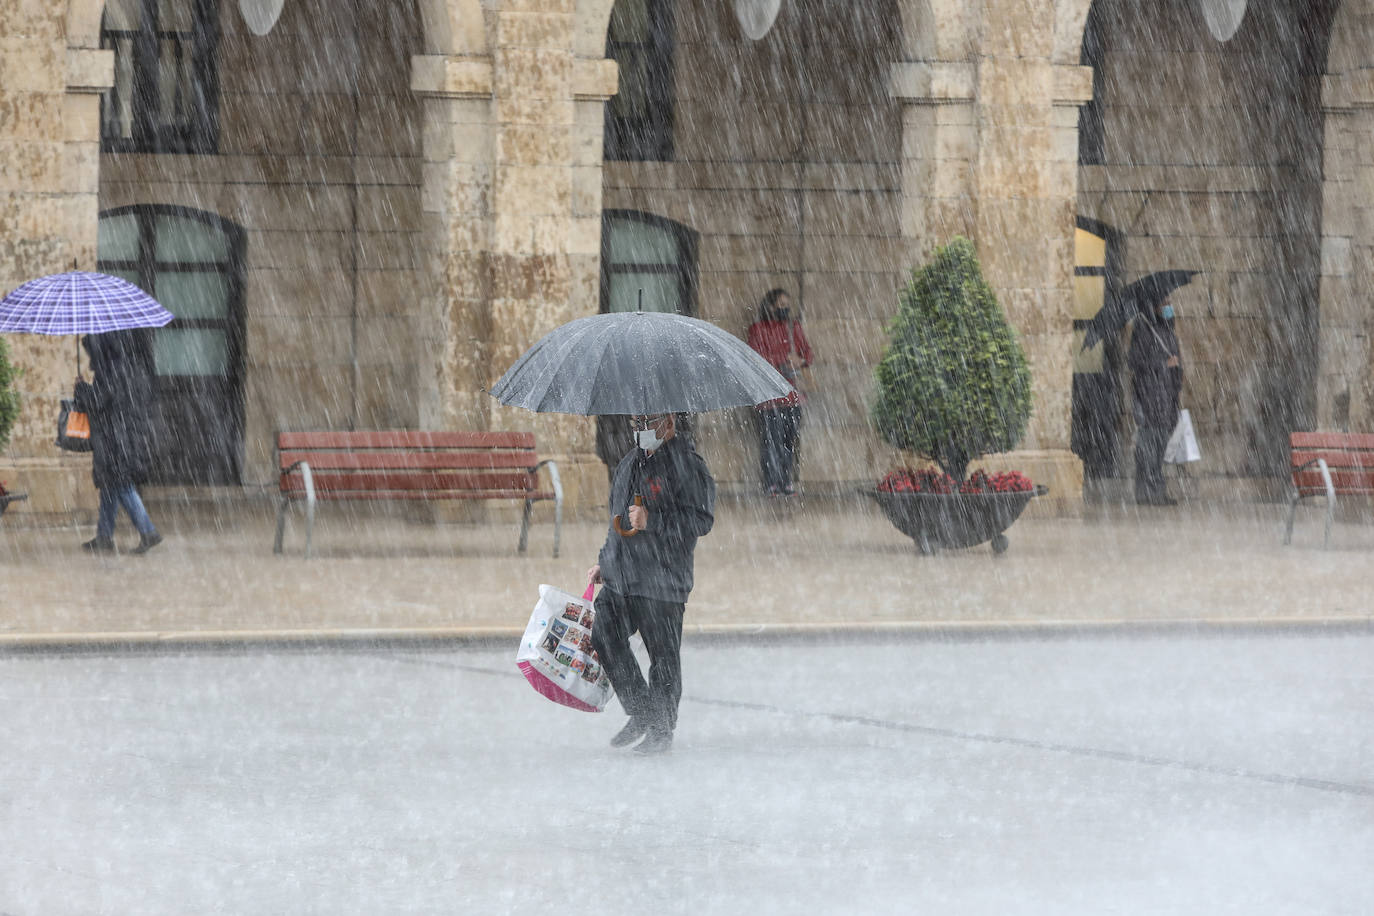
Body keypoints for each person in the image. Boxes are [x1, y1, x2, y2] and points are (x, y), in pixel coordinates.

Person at [587, 412, 715, 756]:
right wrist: (605, 562)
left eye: (647, 421)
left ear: (668, 422)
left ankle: (661, 728)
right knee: (604, 635)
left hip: (663, 579)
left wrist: (653, 521)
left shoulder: (688, 465)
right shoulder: (629, 463)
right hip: (623, 576)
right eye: (636, 423)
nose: (640, 429)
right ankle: (642, 711)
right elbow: (616, 520)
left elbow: (701, 520)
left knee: (663, 657)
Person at [73, 330, 163, 554]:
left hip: (115, 437)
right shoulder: (125, 364)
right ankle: (104, 537)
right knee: (110, 485)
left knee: (121, 484)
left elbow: (99, 400)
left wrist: (81, 388)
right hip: (120, 434)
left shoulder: (111, 369)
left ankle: (148, 531)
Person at [746, 289, 813, 496]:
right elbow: (755, 358)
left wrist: (800, 360)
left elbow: (808, 353)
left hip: (793, 396)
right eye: (781, 304)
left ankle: (785, 481)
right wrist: (782, 361)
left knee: (788, 442)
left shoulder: (793, 327)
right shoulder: (758, 329)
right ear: (770, 306)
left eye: (787, 305)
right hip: (769, 397)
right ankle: (771, 483)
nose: (785, 309)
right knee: (771, 441)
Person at [1129, 298, 1183, 506]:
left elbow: (1176, 365)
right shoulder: (1144, 330)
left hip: (1166, 399)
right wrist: (1163, 364)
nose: (1168, 307)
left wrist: (1176, 382)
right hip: (1149, 398)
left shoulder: (1169, 332)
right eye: (1164, 303)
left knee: (1160, 449)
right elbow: (1135, 362)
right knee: (1148, 448)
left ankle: (1157, 491)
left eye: (1169, 303)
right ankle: (1146, 493)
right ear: (1154, 307)